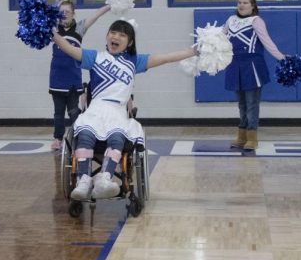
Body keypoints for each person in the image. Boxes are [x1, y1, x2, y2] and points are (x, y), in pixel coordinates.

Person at [53, 20, 196, 200]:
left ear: (129, 43)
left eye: (122, 35)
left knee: (117, 137)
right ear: (107, 36)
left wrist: (193, 51)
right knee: (85, 135)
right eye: (113, 32)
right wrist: (53, 34)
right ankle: (83, 180)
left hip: (118, 110)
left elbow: (165, 57)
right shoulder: (95, 57)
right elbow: (69, 48)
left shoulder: (135, 61)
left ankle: (104, 178)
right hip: (96, 108)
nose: (116, 37)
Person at [223, 0, 286, 151]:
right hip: (234, 65)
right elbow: (218, 39)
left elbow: (267, 42)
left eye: (245, 3)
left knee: (252, 103)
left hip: (252, 66)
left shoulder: (256, 21)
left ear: (253, 5)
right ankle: (241, 135)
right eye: (239, 2)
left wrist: (282, 57)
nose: (241, 5)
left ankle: (252, 137)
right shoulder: (230, 20)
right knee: (241, 104)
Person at [48, 0, 110, 151]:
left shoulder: (79, 28)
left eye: (67, 12)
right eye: (61, 12)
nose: (64, 15)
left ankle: (80, 136)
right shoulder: (53, 28)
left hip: (73, 79)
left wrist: (109, 6)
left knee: (74, 111)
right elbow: (38, 12)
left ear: (73, 14)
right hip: (56, 78)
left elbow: (95, 16)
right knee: (58, 113)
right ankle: (58, 139)